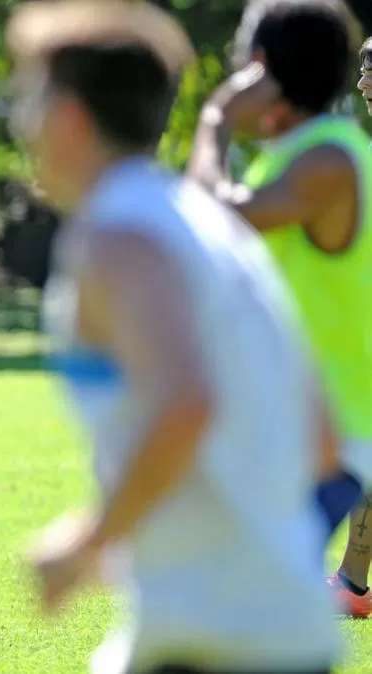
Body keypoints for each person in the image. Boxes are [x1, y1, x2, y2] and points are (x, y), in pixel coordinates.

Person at [7, 2, 340, 672]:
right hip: (284, 626)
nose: (19, 123)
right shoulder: (208, 225)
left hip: (211, 639)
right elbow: (320, 433)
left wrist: (88, 544)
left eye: (26, 99)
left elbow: (187, 402)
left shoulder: (116, 237)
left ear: (69, 117)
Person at [187, 0, 372, 618]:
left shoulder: (329, 161)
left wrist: (214, 118)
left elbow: (208, 216)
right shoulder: (306, 154)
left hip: (336, 437)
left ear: (260, 68)